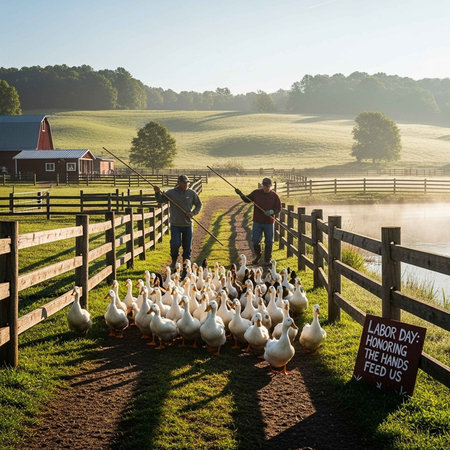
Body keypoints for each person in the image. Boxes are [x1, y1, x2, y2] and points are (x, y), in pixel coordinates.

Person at [154, 175, 202, 269]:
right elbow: (160, 200)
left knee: (187, 245)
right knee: (175, 244)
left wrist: (193, 213)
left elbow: (199, 205)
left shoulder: (191, 193)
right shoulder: (171, 193)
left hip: (188, 224)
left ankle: (186, 263)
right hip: (175, 224)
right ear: (179, 182)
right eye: (184, 183)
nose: (186, 185)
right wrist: (157, 193)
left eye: (187, 183)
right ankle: (174, 261)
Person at [235, 177, 281, 266]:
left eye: (267, 186)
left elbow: (278, 208)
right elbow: (247, 200)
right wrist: (240, 194)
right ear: (262, 185)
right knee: (255, 240)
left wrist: (272, 211)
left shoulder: (274, 196)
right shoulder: (256, 193)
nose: (265, 188)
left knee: (269, 242)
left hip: (269, 222)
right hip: (257, 222)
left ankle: (267, 260)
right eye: (264, 185)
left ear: (271, 185)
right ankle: (258, 255)